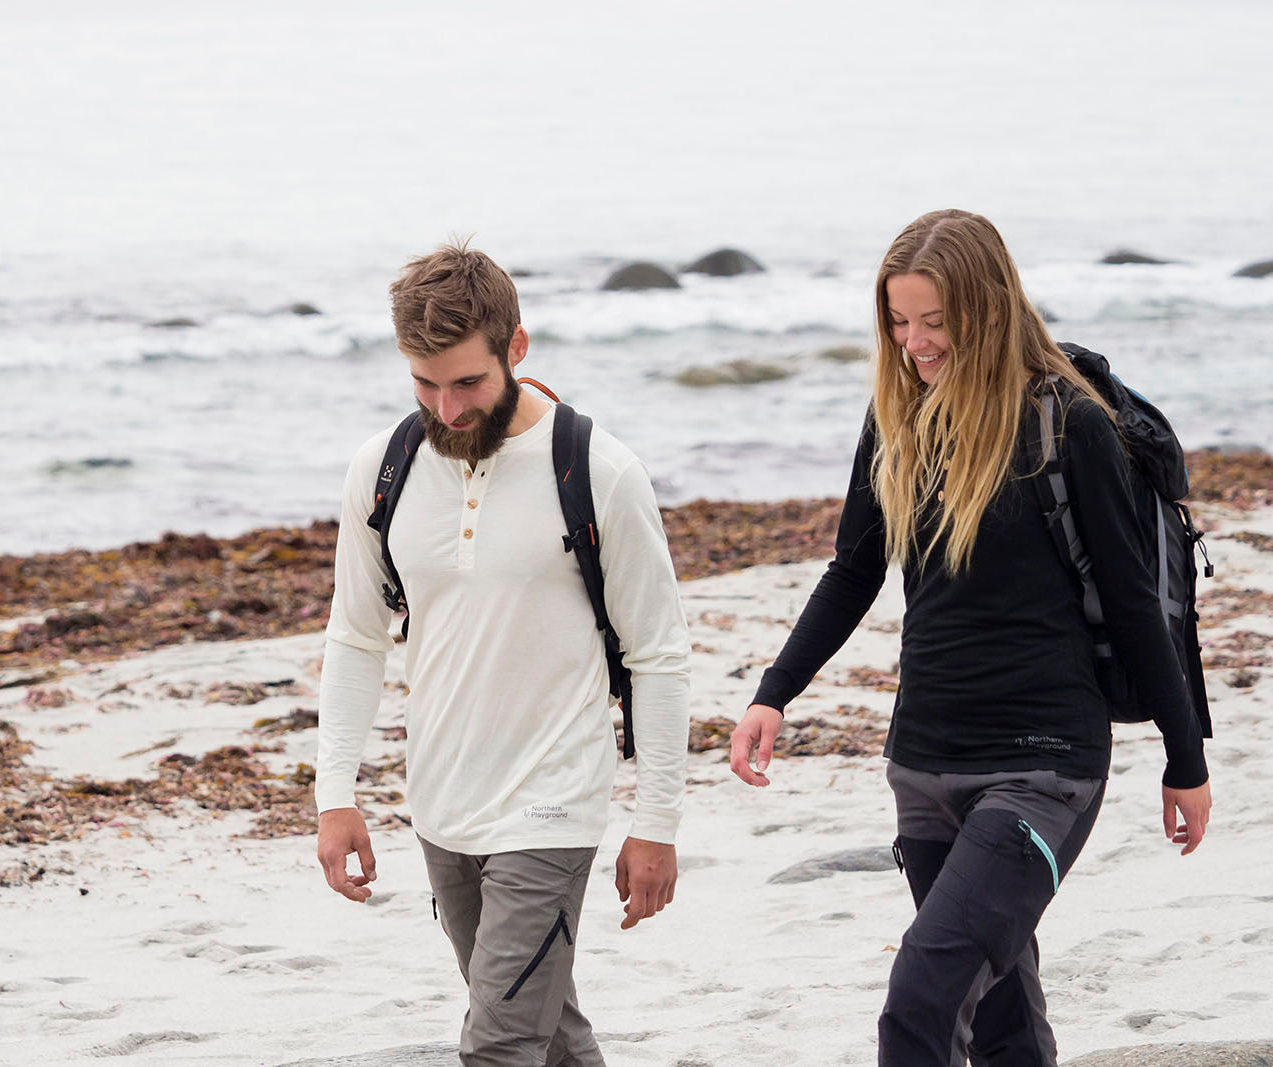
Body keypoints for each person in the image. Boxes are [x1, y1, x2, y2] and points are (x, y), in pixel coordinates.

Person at [728, 209, 1212, 1066]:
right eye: (899, 321)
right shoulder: (897, 419)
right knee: (1001, 1021)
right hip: (922, 761)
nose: (914, 342)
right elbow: (853, 571)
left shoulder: (1070, 423)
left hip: (1043, 766)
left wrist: (1186, 759)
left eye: (935, 322)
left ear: (986, 309)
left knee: (921, 994)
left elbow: (1137, 606)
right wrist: (774, 691)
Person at [315, 241, 692, 1065]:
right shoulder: (382, 469)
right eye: (424, 382)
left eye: (467, 382)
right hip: (442, 804)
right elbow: (355, 634)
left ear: (516, 348)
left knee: (498, 1047)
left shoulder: (598, 469)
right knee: (550, 1036)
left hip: (552, 801)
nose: (446, 410)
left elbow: (658, 654)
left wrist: (656, 821)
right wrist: (334, 791)